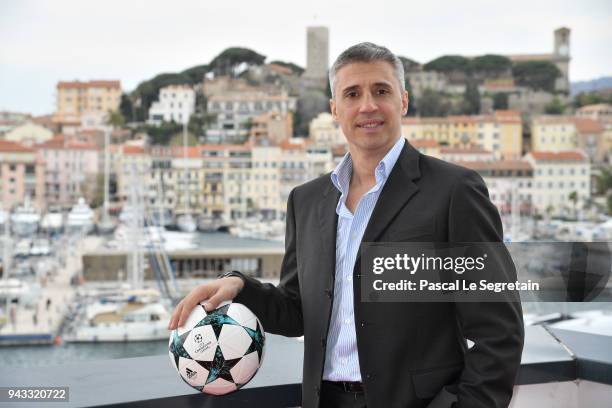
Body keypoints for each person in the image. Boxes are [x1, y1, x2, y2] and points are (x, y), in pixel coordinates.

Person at [168, 42, 524, 408]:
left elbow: (500, 331)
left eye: (381, 91)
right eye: (352, 94)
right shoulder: (305, 201)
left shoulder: (454, 191)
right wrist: (238, 286)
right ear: (335, 109)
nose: (367, 105)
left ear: (403, 101)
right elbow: (297, 313)